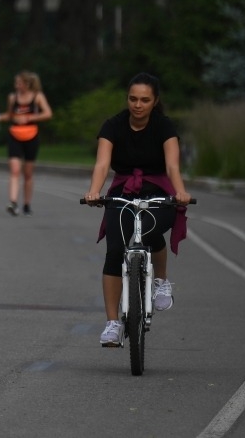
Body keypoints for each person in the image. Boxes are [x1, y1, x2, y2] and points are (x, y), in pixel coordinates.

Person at [83, 72, 192, 347]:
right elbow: (101, 164)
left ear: (155, 101)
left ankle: (161, 281)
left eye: (145, 100)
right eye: (133, 99)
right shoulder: (113, 126)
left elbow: (172, 166)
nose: (138, 105)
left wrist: (180, 191)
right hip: (123, 192)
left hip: (158, 191)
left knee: (152, 232)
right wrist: (95, 191)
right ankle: (112, 324)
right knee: (115, 249)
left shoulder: (164, 127)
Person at [0, 71, 52, 216]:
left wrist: (29, 117)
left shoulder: (37, 96)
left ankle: (26, 204)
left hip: (31, 135)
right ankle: (13, 202)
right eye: (16, 83)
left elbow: (48, 113)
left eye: (19, 83)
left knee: (28, 173)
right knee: (14, 170)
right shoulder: (13, 97)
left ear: (27, 84)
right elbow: (10, 115)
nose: (16, 86)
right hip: (14, 134)